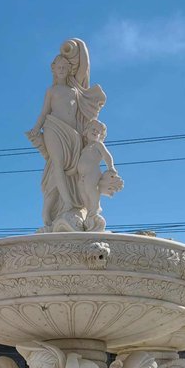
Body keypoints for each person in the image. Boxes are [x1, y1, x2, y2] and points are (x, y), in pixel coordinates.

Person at [25, 39, 106, 231]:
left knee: (73, 171)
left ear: (69, 69)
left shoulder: (75, 89)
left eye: (64, 67)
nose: (61, 70)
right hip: (53, 128)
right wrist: (36, 128)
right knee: (58, 164)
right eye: (58, 67)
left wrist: (78, 45)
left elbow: (84, 67)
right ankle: (68, 202)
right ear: (53, 70)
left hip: (73, 134)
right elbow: (44, 112)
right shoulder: (51, 90)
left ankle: (67, 206)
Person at [77, 120, 123, 232]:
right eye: (93, 129)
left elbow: (107, 156)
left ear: (100, 136)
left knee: (91, 190)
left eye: (98, 132)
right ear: (87, 131)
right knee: (83, 193)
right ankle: (89, 212)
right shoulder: (85, 148)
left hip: (93, 172)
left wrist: (111, 167)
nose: (95, 132)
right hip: (82, 175)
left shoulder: (98, 144)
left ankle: (95, 210)